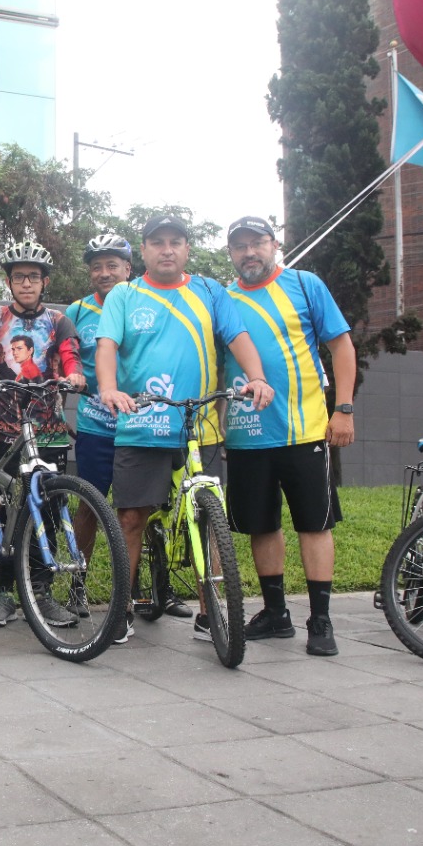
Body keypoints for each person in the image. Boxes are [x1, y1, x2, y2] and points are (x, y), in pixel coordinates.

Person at [95, 213, 275, 644]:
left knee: (208, 519)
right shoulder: (125, 294)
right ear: (143, 250)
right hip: (142, 423)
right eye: (158, 242)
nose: (167, 250)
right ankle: (122, 608)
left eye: (175, 242)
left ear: (187, 249)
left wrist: (257, 377)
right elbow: (107, 346)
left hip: (201, 425)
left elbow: (238, 338)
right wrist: (109, 388)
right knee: (132, 517)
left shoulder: (209, 291)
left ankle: (210, 613)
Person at [221, 215, 356, 657]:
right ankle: (276, 614)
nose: (249, 252)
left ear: (274, 245)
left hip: (305, 431)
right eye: (239, 246)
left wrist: (343, 410)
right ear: (231, 253)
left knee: (314, 524)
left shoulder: (304, 285)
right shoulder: (224, 299)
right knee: (261, 525)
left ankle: (321, 619)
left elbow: (341, 345)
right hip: (247, 434)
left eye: (257, 242)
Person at [66, 234, 192, 622]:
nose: (104, 273)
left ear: (128, 268)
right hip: (98, 427)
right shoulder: (77, 311)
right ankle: (76, 587)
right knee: (89, 506)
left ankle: (158, 589)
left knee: (150, 510)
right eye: (97, 267)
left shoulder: (146, 300)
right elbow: (66, 359)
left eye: (112, 265)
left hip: (146, 424)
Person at [0, 241, 82, 627]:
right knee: (8, 509)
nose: (26, 283)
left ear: (45, 282)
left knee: (49, 509)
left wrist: (75, 375)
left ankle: (41, 592)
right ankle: (5, 593)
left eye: (33, 277)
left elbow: (71, 356)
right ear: (9, 282)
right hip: (8, 431)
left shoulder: (59, 321)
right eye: (18, 277)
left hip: (50, 431)